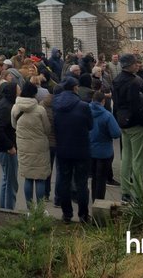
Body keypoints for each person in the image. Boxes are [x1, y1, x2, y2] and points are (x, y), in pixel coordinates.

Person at [53, 77, 93, 223]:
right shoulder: (83, 106)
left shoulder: (56, 103)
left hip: (63, 147)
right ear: (75, 88)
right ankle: (83, 214)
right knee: (81, 183)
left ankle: (67, 214)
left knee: (64, 181)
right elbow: (90, 125)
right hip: (81, 148)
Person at [112, 53, 143, 203]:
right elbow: (136, 105)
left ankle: (125, 191)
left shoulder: (117, 80)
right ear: (129, 65)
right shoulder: (134, 82)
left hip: (122, 121)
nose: (138, 65)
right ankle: (139, 193)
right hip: (136, 123)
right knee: (138, 159)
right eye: (135, 63)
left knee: (126, 157)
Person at [11, 82, 51, 211]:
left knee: (28, 178)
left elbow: (14, 125)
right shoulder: (40, 110)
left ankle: (29, 209)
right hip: (39, 147)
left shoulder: (15, 108)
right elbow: (47, 128)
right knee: (40, 178)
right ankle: (40, 209)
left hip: (23, 146)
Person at [89, 91, 121, 202]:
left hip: (90, 150)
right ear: (103, 101)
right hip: (104, 152)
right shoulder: (107, 115)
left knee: (94, 177)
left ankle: (93, 199)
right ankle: (99, 202)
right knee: (101, 179)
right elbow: (116, 133)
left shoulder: (86, 111)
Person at [0, 81, 19, 210]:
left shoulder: (6, 103)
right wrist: (10, 146)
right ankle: (9, 210)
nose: (19, 90)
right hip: (7, 150)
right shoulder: (6, 106)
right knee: (11, 182)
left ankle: (3, 209)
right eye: (17, 88)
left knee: (6, 180)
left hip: (5, 148)